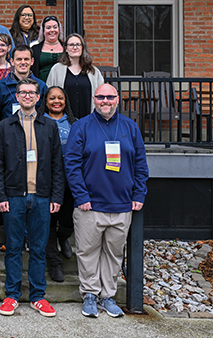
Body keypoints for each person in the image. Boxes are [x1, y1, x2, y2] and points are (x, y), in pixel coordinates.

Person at [64, 83, 148, 318]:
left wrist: (139, 194)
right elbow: (71, 165)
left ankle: (107, 296)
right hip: (90, 205)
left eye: (110, 97)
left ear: (117, 99)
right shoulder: (81, 127)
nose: (105, 101)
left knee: (113, 253)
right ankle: (90, 294)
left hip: (122, 204)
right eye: (101, 97)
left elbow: (141, 165)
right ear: (94, 99)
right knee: (87, 252)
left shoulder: (130, 127)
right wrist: (81, 196)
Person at [0, 78, 64, 318]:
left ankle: (37, 296)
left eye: (31, 92)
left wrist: (57, 195)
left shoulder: (49, 126)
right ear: (17, 96)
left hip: (42, 196)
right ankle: (11, 295)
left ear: (37, 96)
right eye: (22, 92)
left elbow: (57, 164)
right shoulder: (4, 126)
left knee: (39, 249)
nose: (26, 96)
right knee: (13, 248)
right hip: (13, 196)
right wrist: (0, 195)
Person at [37, 86, 77, 283]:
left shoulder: (74, 124)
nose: (56, 101)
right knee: (49, 222)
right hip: (46, 180)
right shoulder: (39, 122)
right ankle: (54, 263)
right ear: (45, 101)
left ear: (65, 101)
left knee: (68, 218)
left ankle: (64, 237)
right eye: (52, 98)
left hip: (70, 179)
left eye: (60, 98)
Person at [46, 33, 105, 120]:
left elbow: (102, 95)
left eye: (78, 44)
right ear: (66, 48)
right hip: (64, 121)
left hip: (89, 120)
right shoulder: (56, 70)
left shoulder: (93, 71)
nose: (75, 47)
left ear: (82, 48)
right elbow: (49, 94)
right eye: (71, 45)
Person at [0, 45, 48, 121]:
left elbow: (45, 113)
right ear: (12, 61)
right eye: (19, 59)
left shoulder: (41, 86)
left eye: (26, 59)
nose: (23, 62)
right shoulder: (1, 86)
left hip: (34, 129)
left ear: (32, 61)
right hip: (8, 130)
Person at [31, 16, 64, 82]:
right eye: (48, 28)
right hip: (41, 87)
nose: (52, 30)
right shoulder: (35, 49)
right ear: (43, 31)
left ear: (59, 30)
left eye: (55, 27)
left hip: (62, 86)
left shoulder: (66, 47)